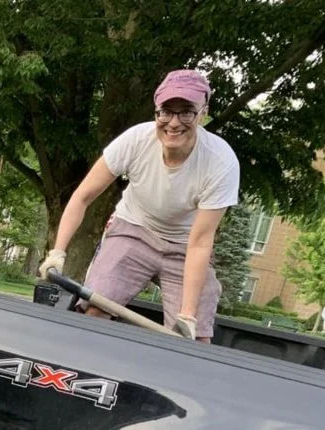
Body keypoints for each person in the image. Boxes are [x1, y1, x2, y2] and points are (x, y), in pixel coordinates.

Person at [40, 69, 239, 342]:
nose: (174, 122)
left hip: (186, 245)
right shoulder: (135, 141)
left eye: (186, 112)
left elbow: (201, 241)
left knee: (197, 338)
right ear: (156, 111)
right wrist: (57, 252)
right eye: (166, 111)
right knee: (98, 305)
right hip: (134, 229)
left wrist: (188, 316)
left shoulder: (220, 161)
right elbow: (83, 196)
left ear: (203, 112)